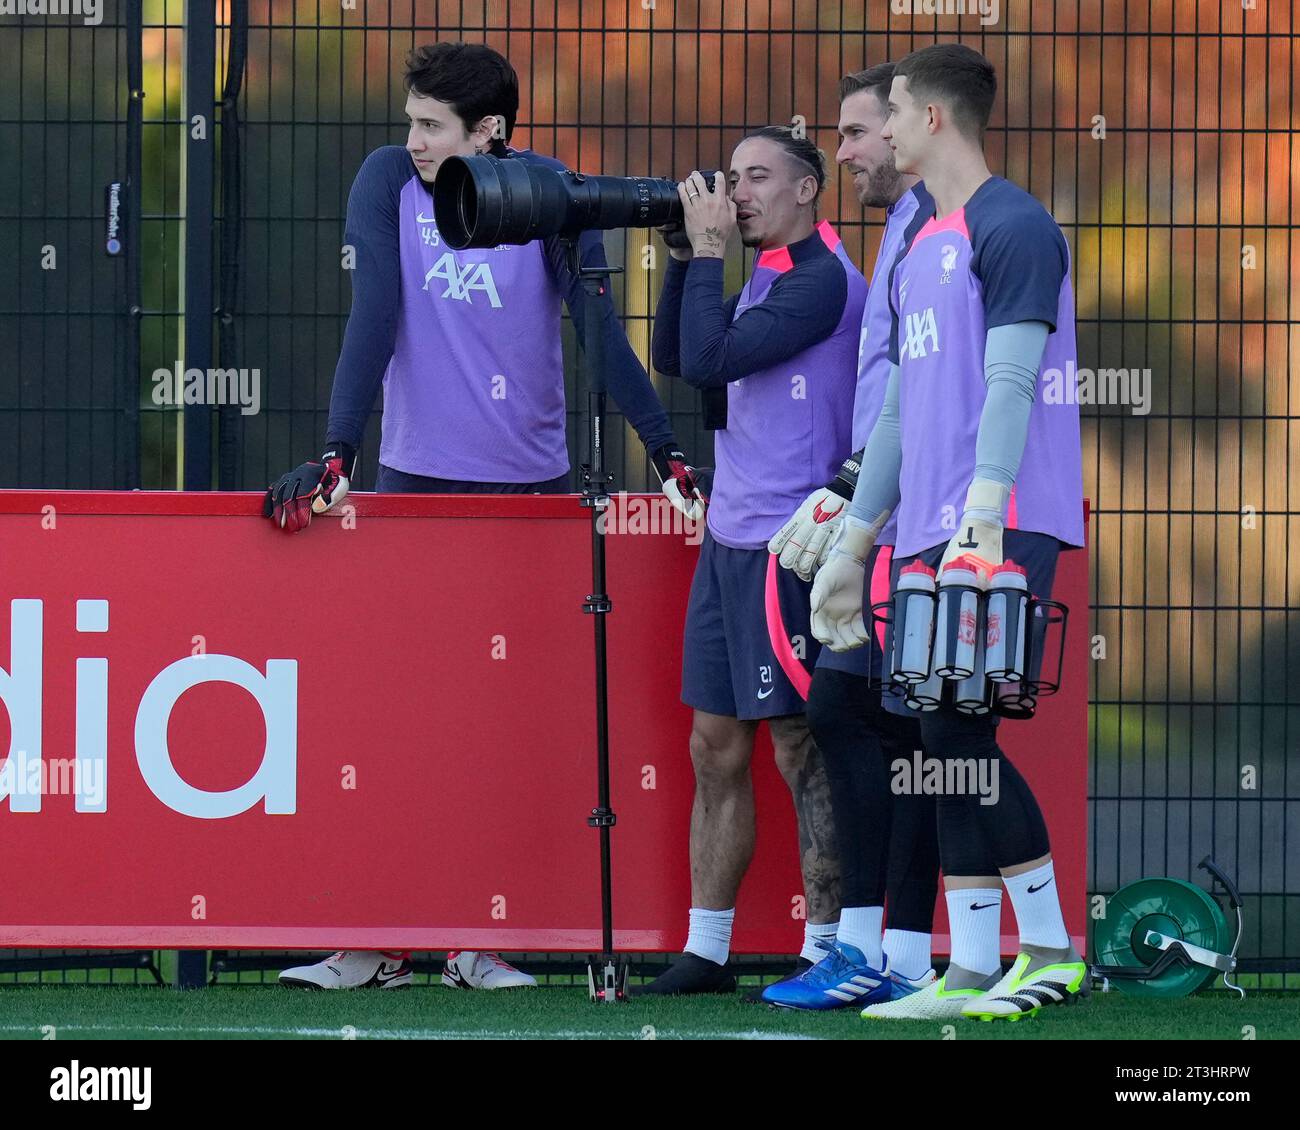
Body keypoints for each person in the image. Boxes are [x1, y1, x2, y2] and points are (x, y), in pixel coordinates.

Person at [267, 41, 705, 992]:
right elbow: (373, 314)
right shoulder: (388, 178)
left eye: (433, 125)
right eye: (413, 120)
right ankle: (377, 943)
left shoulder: (546, 192)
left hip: (533, 499)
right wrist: (341, 449)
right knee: (399, 721)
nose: (414, 140)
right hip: (414, 490)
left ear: (490, 133)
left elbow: (600, 335)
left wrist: (667, 449)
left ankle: (480, 941)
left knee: (511, 725)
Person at [811, 43, 1089, 1020]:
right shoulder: (919, 235)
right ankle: (971, 965)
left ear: (931, 118)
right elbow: (898, 409)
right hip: (925, 521)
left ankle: (1043, 951)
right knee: (939, 729)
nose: (874, 133)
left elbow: (1011, 381)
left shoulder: (1013, 225)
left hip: (996, 518)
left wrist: (981, 512)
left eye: (886, 112)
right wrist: (854, 543)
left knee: (959, 729)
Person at [634, 127, 866, 996]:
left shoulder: (825, 282)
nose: (737, 193)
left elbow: (709, 357)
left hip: (796, 546)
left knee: (803, 749)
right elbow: (674, 359)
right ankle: (707, 948)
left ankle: (830, 947)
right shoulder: (766, 274)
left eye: (758, 177)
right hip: (729, 539)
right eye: (731, 179)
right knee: (714, 745)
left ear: (808, 190)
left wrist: (705, 255)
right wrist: (680, 259)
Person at [760, 62, 948, 1010]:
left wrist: (856, 497)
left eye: (857, 133)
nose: (843, 151)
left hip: (926, 521)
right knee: (864, 718)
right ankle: (885, 953)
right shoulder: (906, 230)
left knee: (887, 724)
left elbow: (938, 393)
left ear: (916, 127)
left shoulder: (945, 234)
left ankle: (903, 955)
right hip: (886, 510)